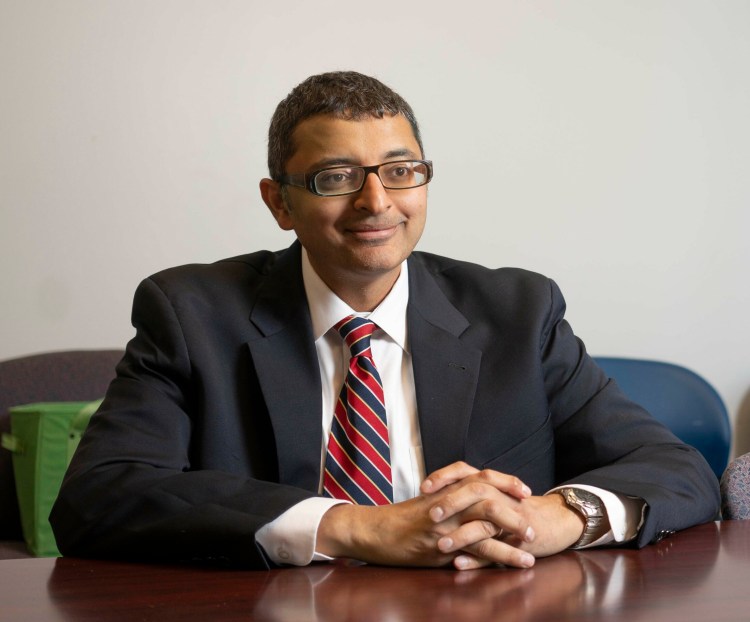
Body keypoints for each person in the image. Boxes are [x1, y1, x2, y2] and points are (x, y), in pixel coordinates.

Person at [51, 71, 720, 570]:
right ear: (279, 203)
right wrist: (355, 528)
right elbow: (99, 497)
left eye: (400, 171)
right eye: (336, 177)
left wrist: (554, 517)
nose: (376, 202)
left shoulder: (518, 313)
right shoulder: (192, 315)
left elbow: (676, 469)